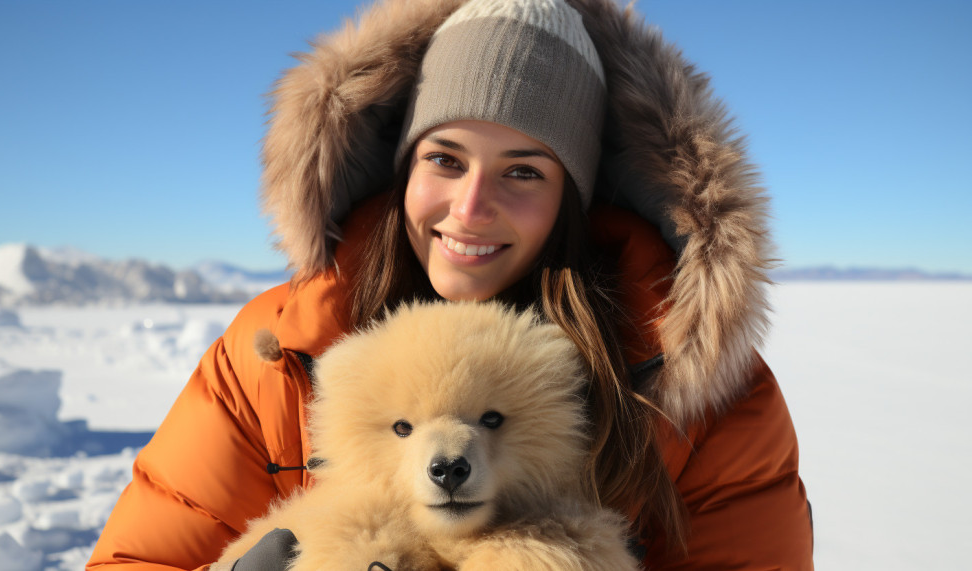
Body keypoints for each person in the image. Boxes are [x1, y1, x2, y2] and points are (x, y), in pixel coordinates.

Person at [87, 0, 813, 569]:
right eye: (445, 158)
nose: (470, 207)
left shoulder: (704, 392)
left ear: (575, 195)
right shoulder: (278, 354)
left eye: (523, 170)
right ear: (405, 167)